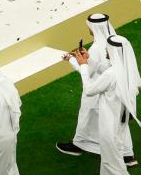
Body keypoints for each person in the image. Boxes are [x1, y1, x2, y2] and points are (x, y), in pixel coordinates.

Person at [66, 35, 141, 175]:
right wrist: (89, 60)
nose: (105, 51)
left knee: (111, 161)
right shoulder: (128, 70)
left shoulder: (111, 74)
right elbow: (106, 68)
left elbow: (90, 90)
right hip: (120, 123)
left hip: (109, 124)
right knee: (108, 155)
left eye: (108, 49)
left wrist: (83, 66)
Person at [58, 14, 136, 165]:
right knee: (119, 122)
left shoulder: (97, 47)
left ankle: (80, 144)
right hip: (116, 89)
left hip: (99, 89)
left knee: (89, 117)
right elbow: (105, 66)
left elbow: (87, 71)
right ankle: (127, 154)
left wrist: (74, 60)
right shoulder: (117, 42)